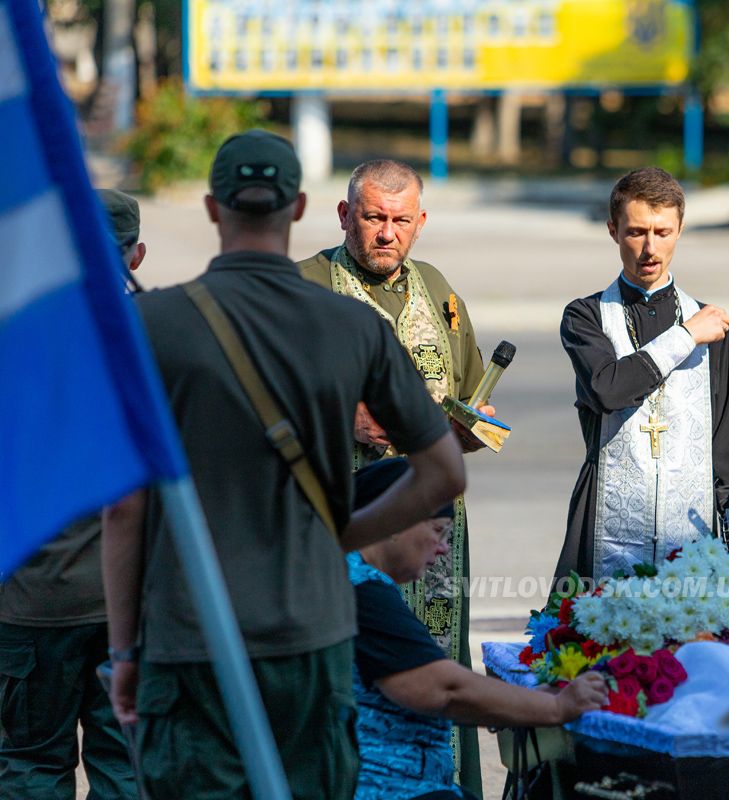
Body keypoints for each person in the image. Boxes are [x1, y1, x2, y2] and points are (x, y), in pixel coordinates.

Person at [102, 130, 465, 799]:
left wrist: (124, 651)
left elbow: (125, 505)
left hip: (190, 629)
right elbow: (443, 473)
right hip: (312, 628)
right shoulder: (354, 327)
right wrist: (341, 532)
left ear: (213, 208)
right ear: (299, 208)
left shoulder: (151, 323)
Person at [297, 160, 488, 794]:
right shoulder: (305, 286)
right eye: (374, 217)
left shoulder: (436, 288)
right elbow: (258, 406)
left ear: (421, 222)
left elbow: (466, 391)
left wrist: (469, 428)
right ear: (345, 214)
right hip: (341, 528)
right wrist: (336, 417)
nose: (387, 233)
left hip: (432, 530)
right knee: (350, 672)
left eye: (401, 220)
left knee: (436, 667)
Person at [348, 458, 607, 800]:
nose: (442, 548)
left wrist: (524, 701)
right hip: (385, 787)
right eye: (437, 530)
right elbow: (441, 689)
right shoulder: (362, 590)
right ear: (396, 520)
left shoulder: (352, 578)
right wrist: (556, 708)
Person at [0, 189, 145, 800]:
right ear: (135, 255)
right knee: (124, 766)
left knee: (32, 764)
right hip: (130, 602)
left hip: (32, 600)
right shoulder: (160, 334)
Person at [555, 167, 729, 581]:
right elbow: (609, 389)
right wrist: (686, 336)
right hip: (603, 526)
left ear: (680, 229)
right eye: (636, 232)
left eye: (662, 232)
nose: (650, 248)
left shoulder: (710, 325)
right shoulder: (585, 316)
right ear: (613, 230)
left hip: (693, 535)